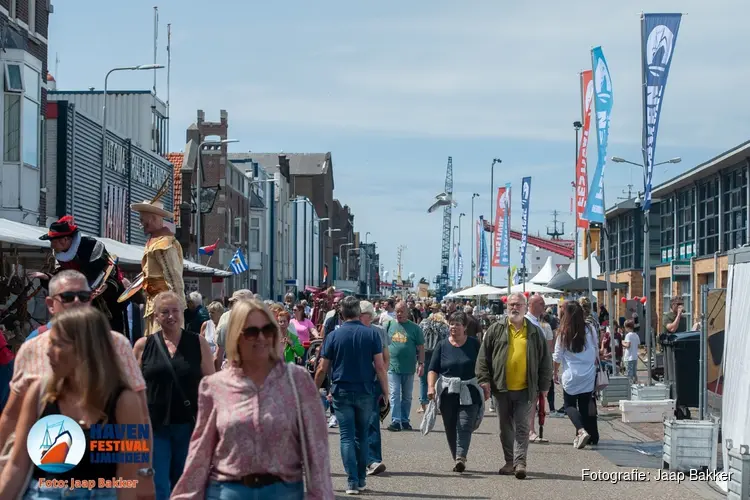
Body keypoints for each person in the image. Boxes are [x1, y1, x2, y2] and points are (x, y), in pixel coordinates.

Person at [0, 270, 155, 500]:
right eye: (69, 296)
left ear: (86, 348)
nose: (77, 302)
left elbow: (140, 424)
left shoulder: (118, 349)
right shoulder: (33, 351)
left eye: (84, 296)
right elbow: (12, 421)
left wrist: (145, 476)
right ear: (51, 304)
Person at [172, 298, 333, 499]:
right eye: (251, 332)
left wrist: (321, 495)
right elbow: (200, 452)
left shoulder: (298, 381)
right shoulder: (215, 386)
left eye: (267, 330)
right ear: (236, 337)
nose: (261, 337)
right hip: (228, 491)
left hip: (283, 491)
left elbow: (317, 450)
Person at [134, 291, 215, 499]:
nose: (170, 316)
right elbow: (133, 387)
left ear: (183, 313)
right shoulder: (143, 345)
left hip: (188, 425)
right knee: (158, 483)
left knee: (185, 482)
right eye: (164, 312)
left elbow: (211, 384)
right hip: (154, 426)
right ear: (156, 316)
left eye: (175, 311)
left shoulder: (198, 343)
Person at [314, 297, 388, 495]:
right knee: (362, 435)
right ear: (358, 312)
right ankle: (362, 479)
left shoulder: (334, 336)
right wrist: (386, 391)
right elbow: (380, 367)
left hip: (341, 391)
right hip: (365, 391)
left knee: (346, 437)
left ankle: (352, 482)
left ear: (341, 314)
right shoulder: (372, 334)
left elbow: (322, 368)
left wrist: (313, 388)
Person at [475, 292, 552, 479]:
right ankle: (509, 461)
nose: (514, 308)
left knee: (522, 427)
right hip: (501, 388)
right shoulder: (495, 329)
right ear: (506, 307)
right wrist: (484, 379)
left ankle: (520, 463)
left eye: (518, 304)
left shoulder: (534, 331)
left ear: (525, 307)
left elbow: (545, 360)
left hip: (526, 389)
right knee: (504, 427)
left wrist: (544, 385)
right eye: (511, 305)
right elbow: (483, 357)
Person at [32, 215, 127, 335]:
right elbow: (63, 278)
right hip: (81, 307)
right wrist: (47, 278)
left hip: (107, 304)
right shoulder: (61, 256)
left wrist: (105, 287)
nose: (52, 246)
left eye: (54, 242)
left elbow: (108, 274)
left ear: (65, 240)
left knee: (111, 340)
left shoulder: (90, 247)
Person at [426, 311, 484, 473]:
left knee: (465, 424)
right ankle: (457, 457)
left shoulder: (474, 344)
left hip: (469, 390)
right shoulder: (442, 345)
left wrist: (486, 385)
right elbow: (433, 369)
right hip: (447, 393)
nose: (454, 327)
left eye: (458, 324)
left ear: (465, 327)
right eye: (451, 324)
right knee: (450, 426)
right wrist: (431, 387)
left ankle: (461, 457)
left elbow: (483, 366)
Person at [131, 188, 186, 337]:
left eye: (143, 220)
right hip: (154, 308)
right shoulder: (154, 242)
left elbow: (175, 281)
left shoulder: (164, 244)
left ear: (154, 219)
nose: (141, 224)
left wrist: (177, 313)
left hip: (165, 311)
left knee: (163, 346)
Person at [553, 301, 600, 449]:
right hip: (588, 372)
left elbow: (557, 356)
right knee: (585, 405)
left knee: (569, 405)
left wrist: (554, 372)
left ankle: (580, 431)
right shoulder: (590, 328)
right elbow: (596, 348)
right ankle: (586, 434)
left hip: (571, 374)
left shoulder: (563, 332)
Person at [359, 300, 390, 476]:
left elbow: (386, 357)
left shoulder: (379, 332)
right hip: (357, 381)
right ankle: (361, 460)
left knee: (372, 421)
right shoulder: (352, 330)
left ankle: (374, 459)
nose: (360, 317)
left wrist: (382, 376)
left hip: (374, 381)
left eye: (363, 314)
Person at [386, 301, 425, 431]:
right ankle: (396, 421)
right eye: (397, 311)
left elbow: (420, 348)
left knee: (407, 396)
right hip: (393, 367)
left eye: (402, 311)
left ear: (407, 313)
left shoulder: (415, 328)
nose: (399, 314)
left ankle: (405, 419)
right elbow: (383, 345)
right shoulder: (389, 325)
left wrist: (421, 364)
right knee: (395, 394)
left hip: (409, 368)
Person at [525, 294, 556, 442]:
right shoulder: (527, 322)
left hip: (537, 367)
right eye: (540, 303)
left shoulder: (537, 323)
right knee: (530, 400)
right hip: (529, 368)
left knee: (533, 400)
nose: (544, 306)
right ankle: (529, 430)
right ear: (531, 305)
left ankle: (529, 429)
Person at [418, 311, 449, 413]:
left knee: (423, 381)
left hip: (425, 353)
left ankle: (423, 405)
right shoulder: (443, 326)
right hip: (438, 354)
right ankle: (436, 405)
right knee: (437, 380)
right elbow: (447, 340)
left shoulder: (424, 323)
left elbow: (418, 338)